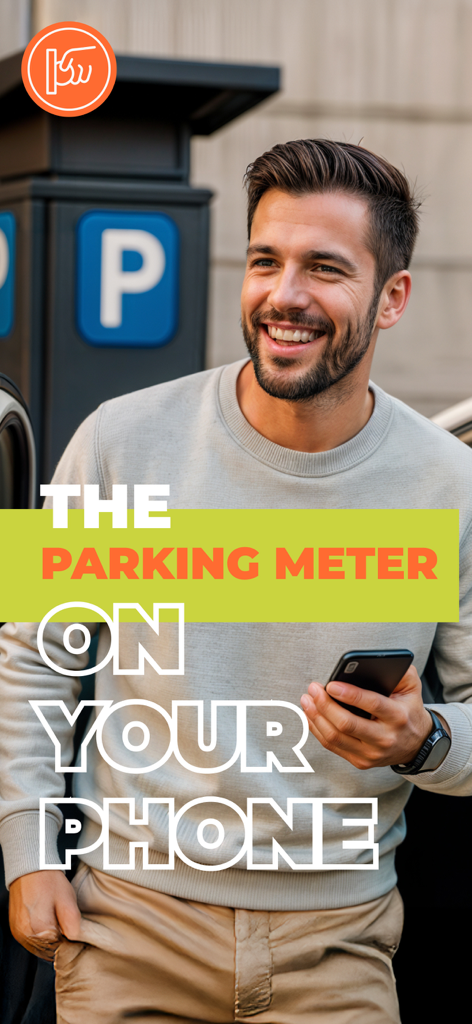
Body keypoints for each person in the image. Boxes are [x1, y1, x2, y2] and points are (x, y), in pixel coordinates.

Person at [1, 138, 472, 1024]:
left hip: (338, 947)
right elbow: (31, 661)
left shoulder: (452, 485)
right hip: (127, 932)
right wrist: (26, 853)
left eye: (324, 267)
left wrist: (424, 740)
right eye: (266, 260)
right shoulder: (120, 441)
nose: (284, 295)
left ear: (393, 296)